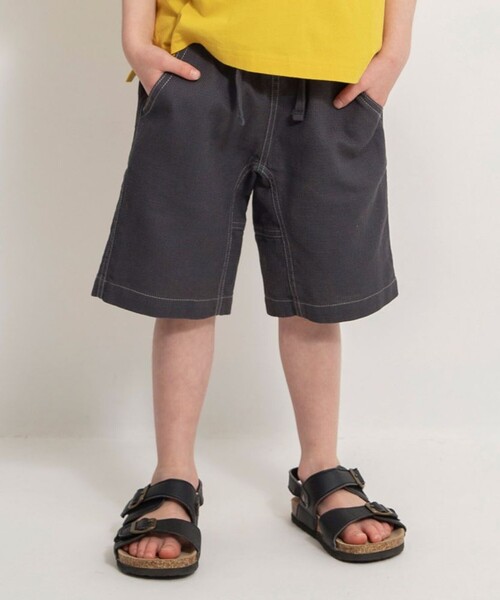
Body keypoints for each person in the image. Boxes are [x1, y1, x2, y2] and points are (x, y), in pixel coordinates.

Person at [92, 0, 417, 577]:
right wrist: (135, 39)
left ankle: (320, 469)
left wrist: (394, 52)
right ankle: (173, 476)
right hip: (201, 65)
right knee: (183, 289)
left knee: (318, 295)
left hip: (336, 72)